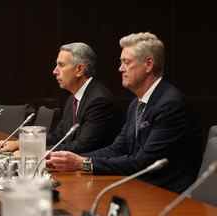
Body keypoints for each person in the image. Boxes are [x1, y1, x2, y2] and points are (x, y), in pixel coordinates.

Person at [46, 32, 203, 193]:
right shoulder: (136, 103)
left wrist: (83, 163)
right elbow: (118, 148)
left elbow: (144, 162)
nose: (120, 68)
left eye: (126, 62)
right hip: (139, 186)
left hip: (166, 193)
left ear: (148, 64)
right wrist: (74, 161)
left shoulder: (170, 104)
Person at [0, 42, 120, 154]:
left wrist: (31, 151)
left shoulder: (99, 100)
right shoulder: (72, 99)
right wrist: (19, 143)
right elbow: (58, 136)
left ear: (79, 70)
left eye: (61, 65)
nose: (55, 71)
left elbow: (82, 146)